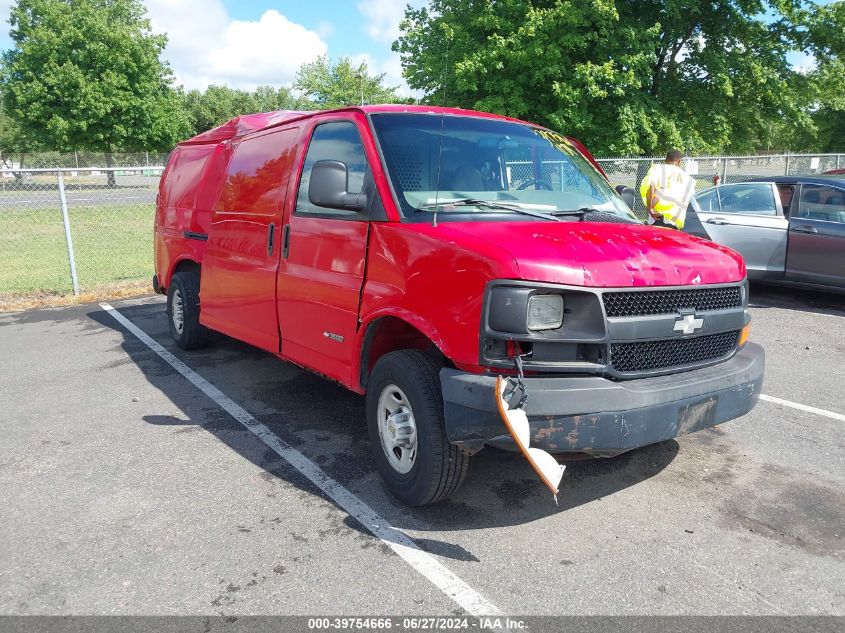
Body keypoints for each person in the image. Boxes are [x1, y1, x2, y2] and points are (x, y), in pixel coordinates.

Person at [639, 149, 696, 229]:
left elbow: (651, 185)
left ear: (665, 159)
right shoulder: (688, 179)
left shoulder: (657, 169)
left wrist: (650, 208)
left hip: (657, 218)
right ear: (679, 161)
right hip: (676, 223)